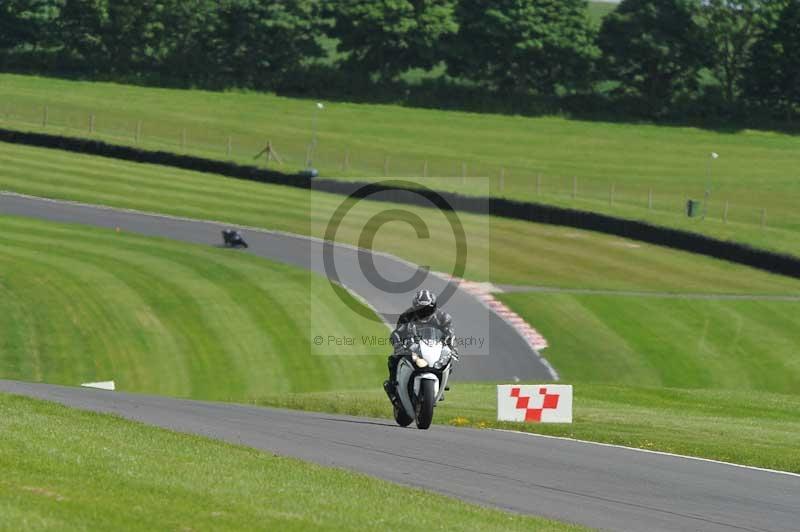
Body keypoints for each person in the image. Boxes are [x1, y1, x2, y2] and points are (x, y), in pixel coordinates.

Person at [383, 289, 455, 402]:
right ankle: (393, 386)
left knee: (448, 359)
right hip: (413, 346)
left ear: (433, 307)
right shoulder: (407, 316)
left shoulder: (443, 317)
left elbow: (449, 334)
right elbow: (397, 333)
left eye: (427, 309)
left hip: (433, 346)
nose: (424, 312)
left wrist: (450, 346)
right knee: (394, 359)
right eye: (421, 309)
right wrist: (398, 345)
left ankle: (442, 383)